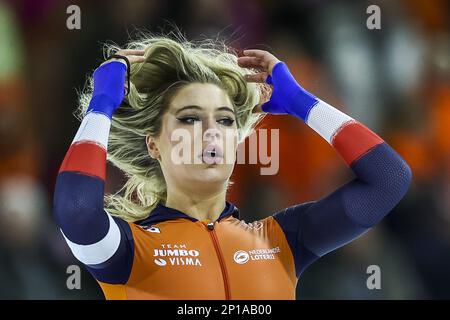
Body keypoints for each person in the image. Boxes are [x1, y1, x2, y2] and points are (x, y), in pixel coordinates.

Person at [53, 34, 412, 299]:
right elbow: (78, 210)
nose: (211, 132)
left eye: (225, 122)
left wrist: (303, 103)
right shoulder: (129, 250)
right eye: (190, 119)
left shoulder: (282, 241)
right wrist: (101, 105)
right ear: (154, 144)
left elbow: (389, 179)